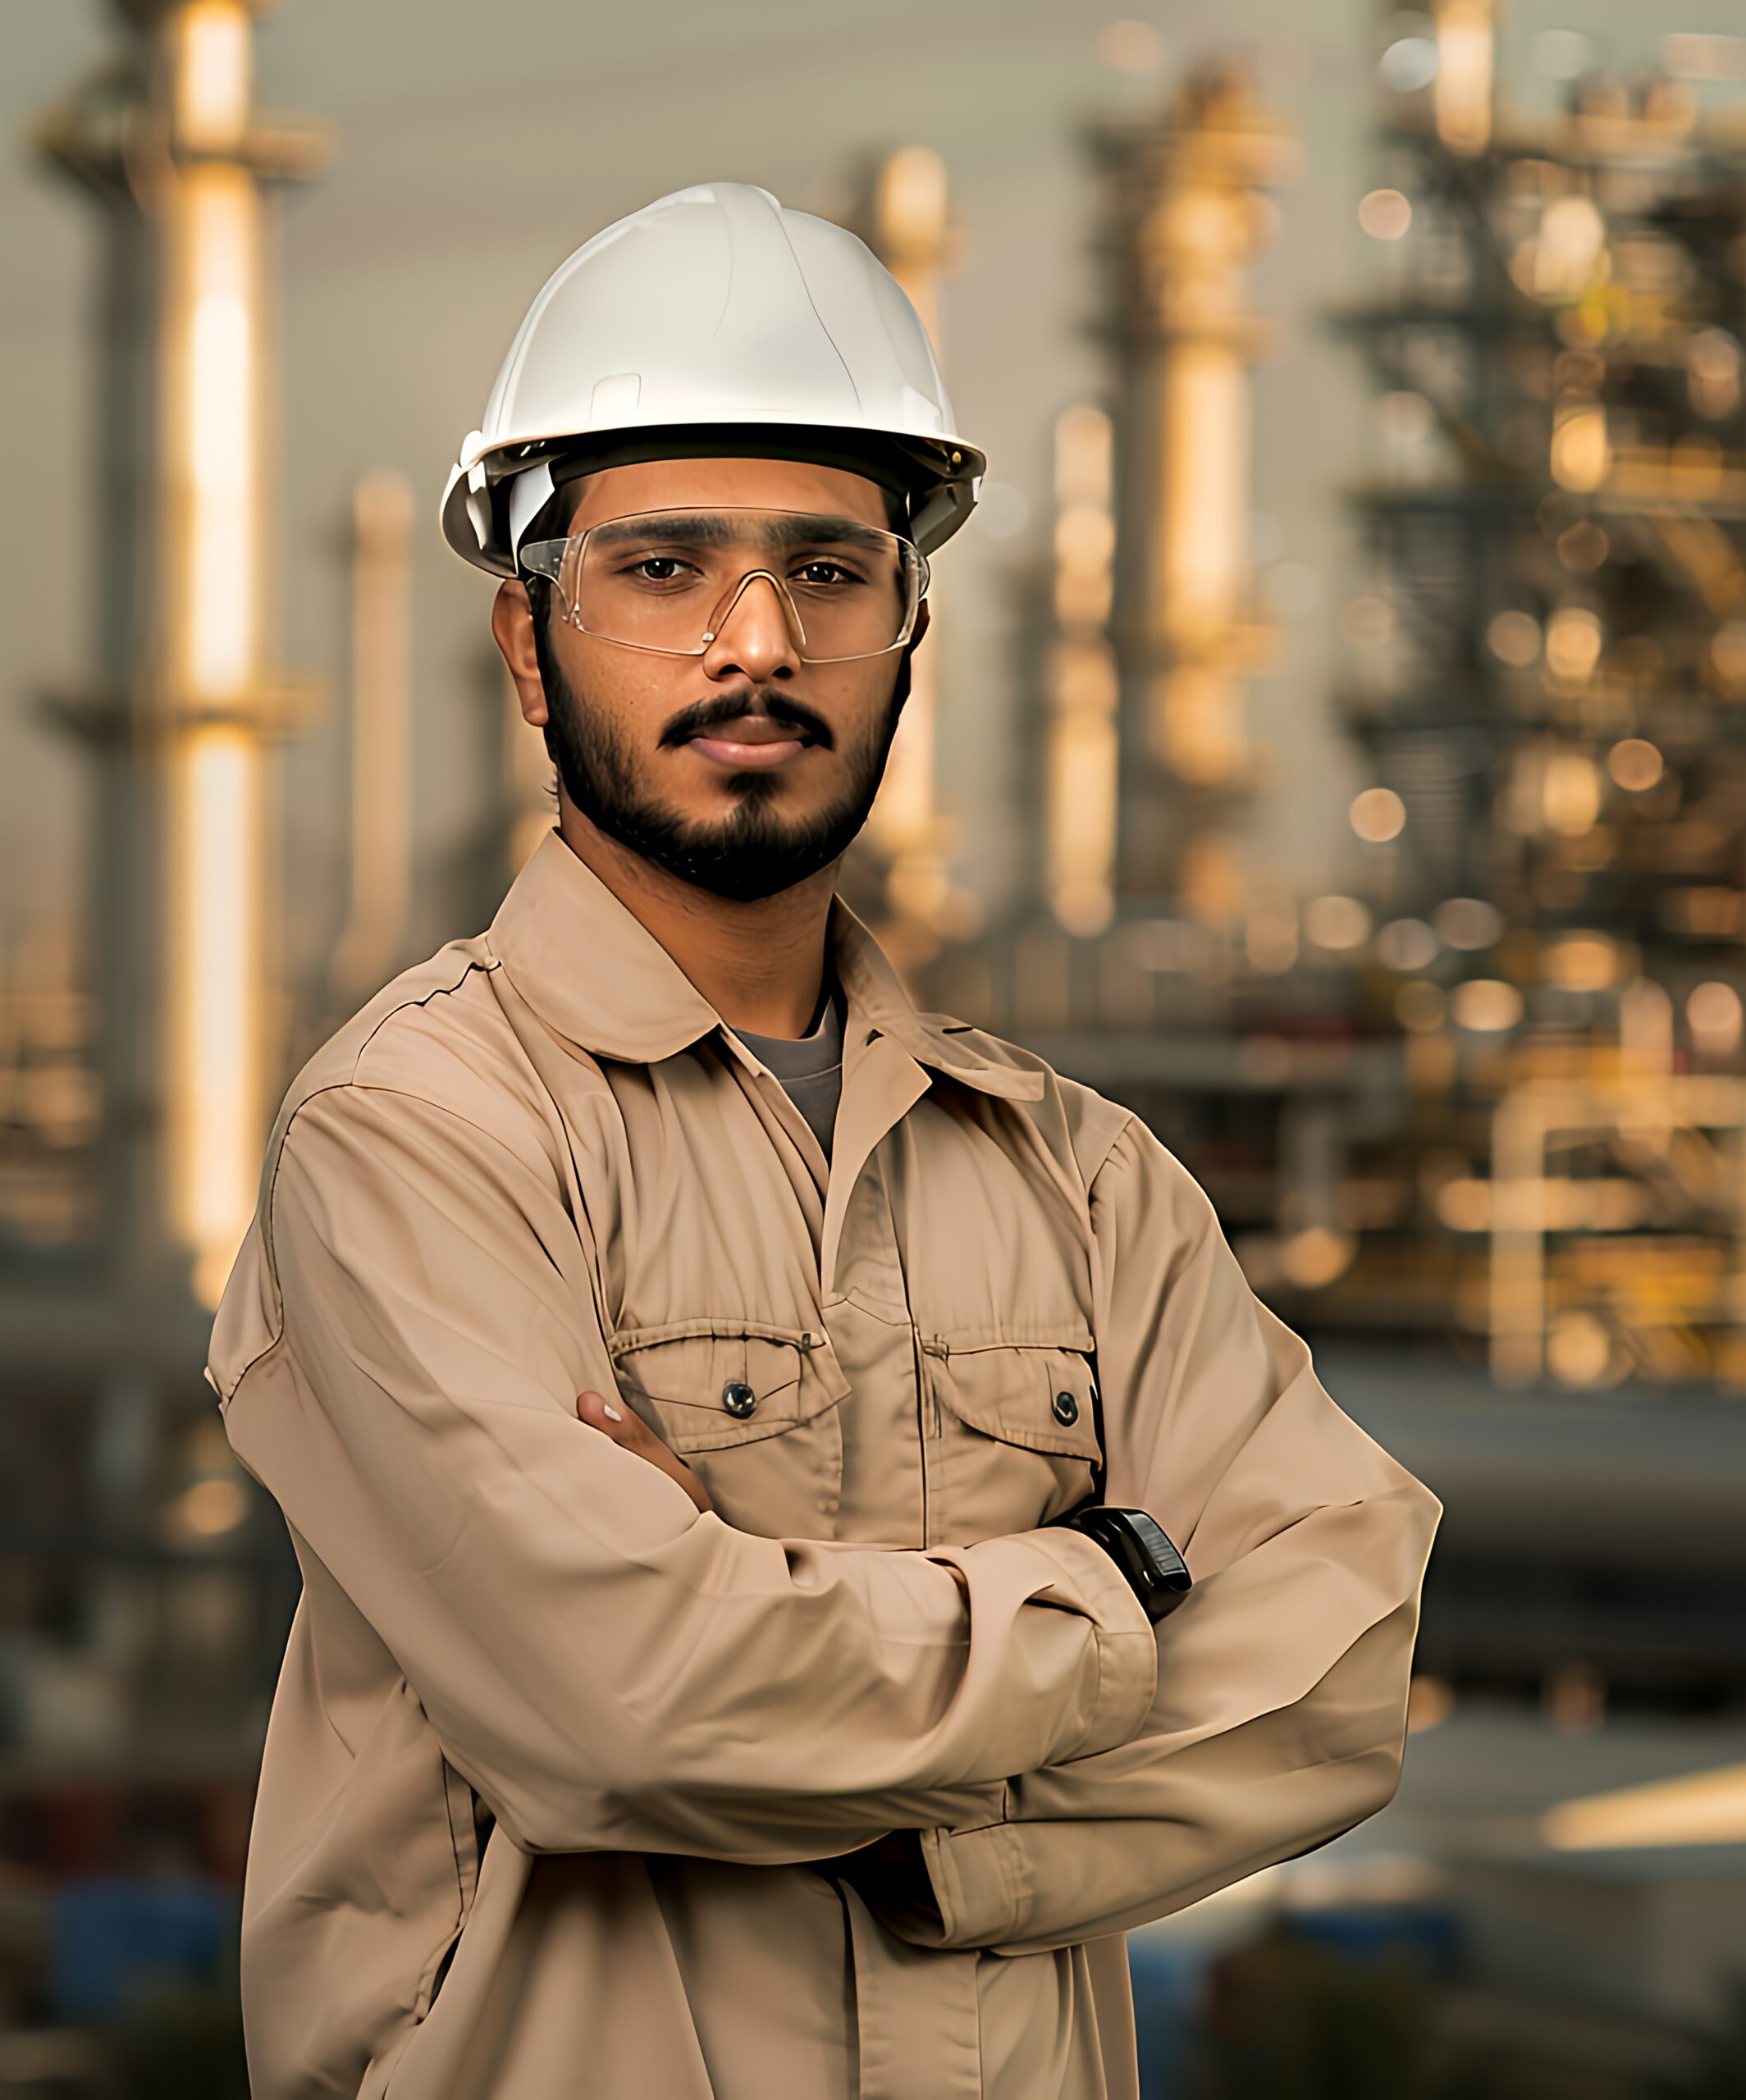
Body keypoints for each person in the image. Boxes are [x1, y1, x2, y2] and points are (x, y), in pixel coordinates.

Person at [210, 182, 1439, 2100]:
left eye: (826, 570)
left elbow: (1341, 1646)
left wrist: (916, 1824)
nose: (754, 639)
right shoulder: (417, 1133)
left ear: (908, 634)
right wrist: (1110, 1582)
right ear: (528, 643)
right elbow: (624, 1701)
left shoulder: (1075, 1171)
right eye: (662, 567)